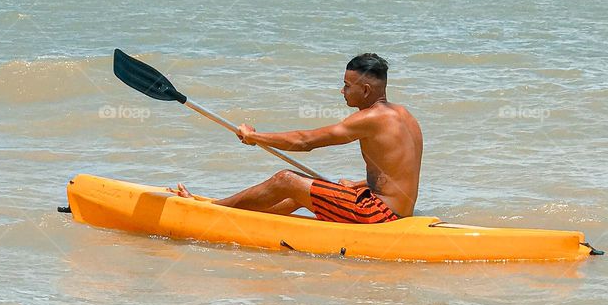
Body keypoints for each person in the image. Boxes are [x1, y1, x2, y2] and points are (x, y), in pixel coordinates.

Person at [170, 53, 423, 223]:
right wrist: (357, 186)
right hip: (398, 211)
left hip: (380, 215)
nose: (342, 90)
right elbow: (395, 175)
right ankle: (237, 221)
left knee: (285, 180)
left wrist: (255, 137)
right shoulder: (405, 116)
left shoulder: (370, 118)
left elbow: (305, 141)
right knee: (296, 195)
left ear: (366, 90)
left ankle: (210, 211)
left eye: (347, 86)